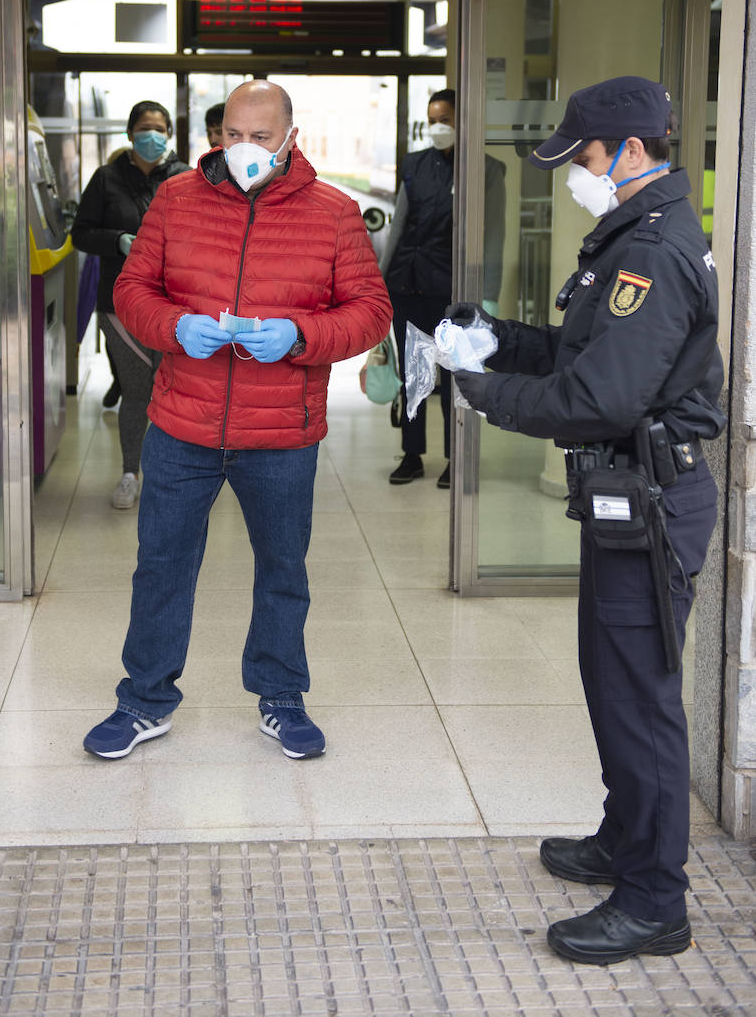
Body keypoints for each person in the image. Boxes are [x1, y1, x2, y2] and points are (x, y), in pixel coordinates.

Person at [449, 75, 725, 966]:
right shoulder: (627, 240)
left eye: (586, 159)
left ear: (633, 154)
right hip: (624, 501)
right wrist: (492, 334)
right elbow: (585, 351)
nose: (576, 173)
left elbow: (600, 397)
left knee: (639, 698)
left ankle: (654, 901)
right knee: (610, 680)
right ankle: (623, 839)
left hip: (650, 501)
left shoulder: (653, 251)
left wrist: (484, 394)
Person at [83, 80, 392, 761]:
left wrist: (298, 336)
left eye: (260, 136)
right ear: (216, 136)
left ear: (290, 138)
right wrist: (172, 326)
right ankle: (144, 700)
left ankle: (280, 697)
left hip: (281, 433)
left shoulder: (333, 214)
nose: (244, 149)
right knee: (161, 566)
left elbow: (370, 312)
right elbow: (132, 289)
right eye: (232, 135)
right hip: (181, 425)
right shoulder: (176, 199)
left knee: (283, 569)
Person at [381, 88, 506, 488]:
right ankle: (413, 455)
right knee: (413, 373)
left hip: (451, 289)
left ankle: (457, 458)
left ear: (462, 122)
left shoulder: (486, 169)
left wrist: (488, 292)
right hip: (406, 282)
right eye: (432, 119)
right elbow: (398, 224)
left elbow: (495, 234)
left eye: (445, 121)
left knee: (457, 375)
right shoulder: (415, 164)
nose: (437, 128)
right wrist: (381, 281)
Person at [71, 101, 189, 508]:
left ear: (169, 134)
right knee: (138, 391)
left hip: (175, 306)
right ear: (129, 133)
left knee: (175, 391)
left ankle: (173, 476)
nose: (151, 135)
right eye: (144, 128)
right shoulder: (106, 179)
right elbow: (81, 234)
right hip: (120, 305)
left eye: (159, 128)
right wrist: (118, 240)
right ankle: (130, 473)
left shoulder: (186, 177)